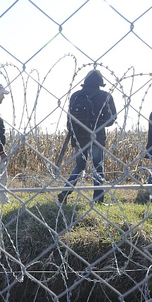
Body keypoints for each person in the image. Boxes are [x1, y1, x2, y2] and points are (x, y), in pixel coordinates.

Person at [57, 70, 118, 204]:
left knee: (80, 165)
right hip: (97, 136)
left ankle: (65, 192)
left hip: (78, 136)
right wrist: (98, 123)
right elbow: (112, 119)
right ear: (100, 83)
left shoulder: (75, 96)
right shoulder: (105, 96)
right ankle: (98, 200)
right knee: (98, 167)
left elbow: (69, 118)